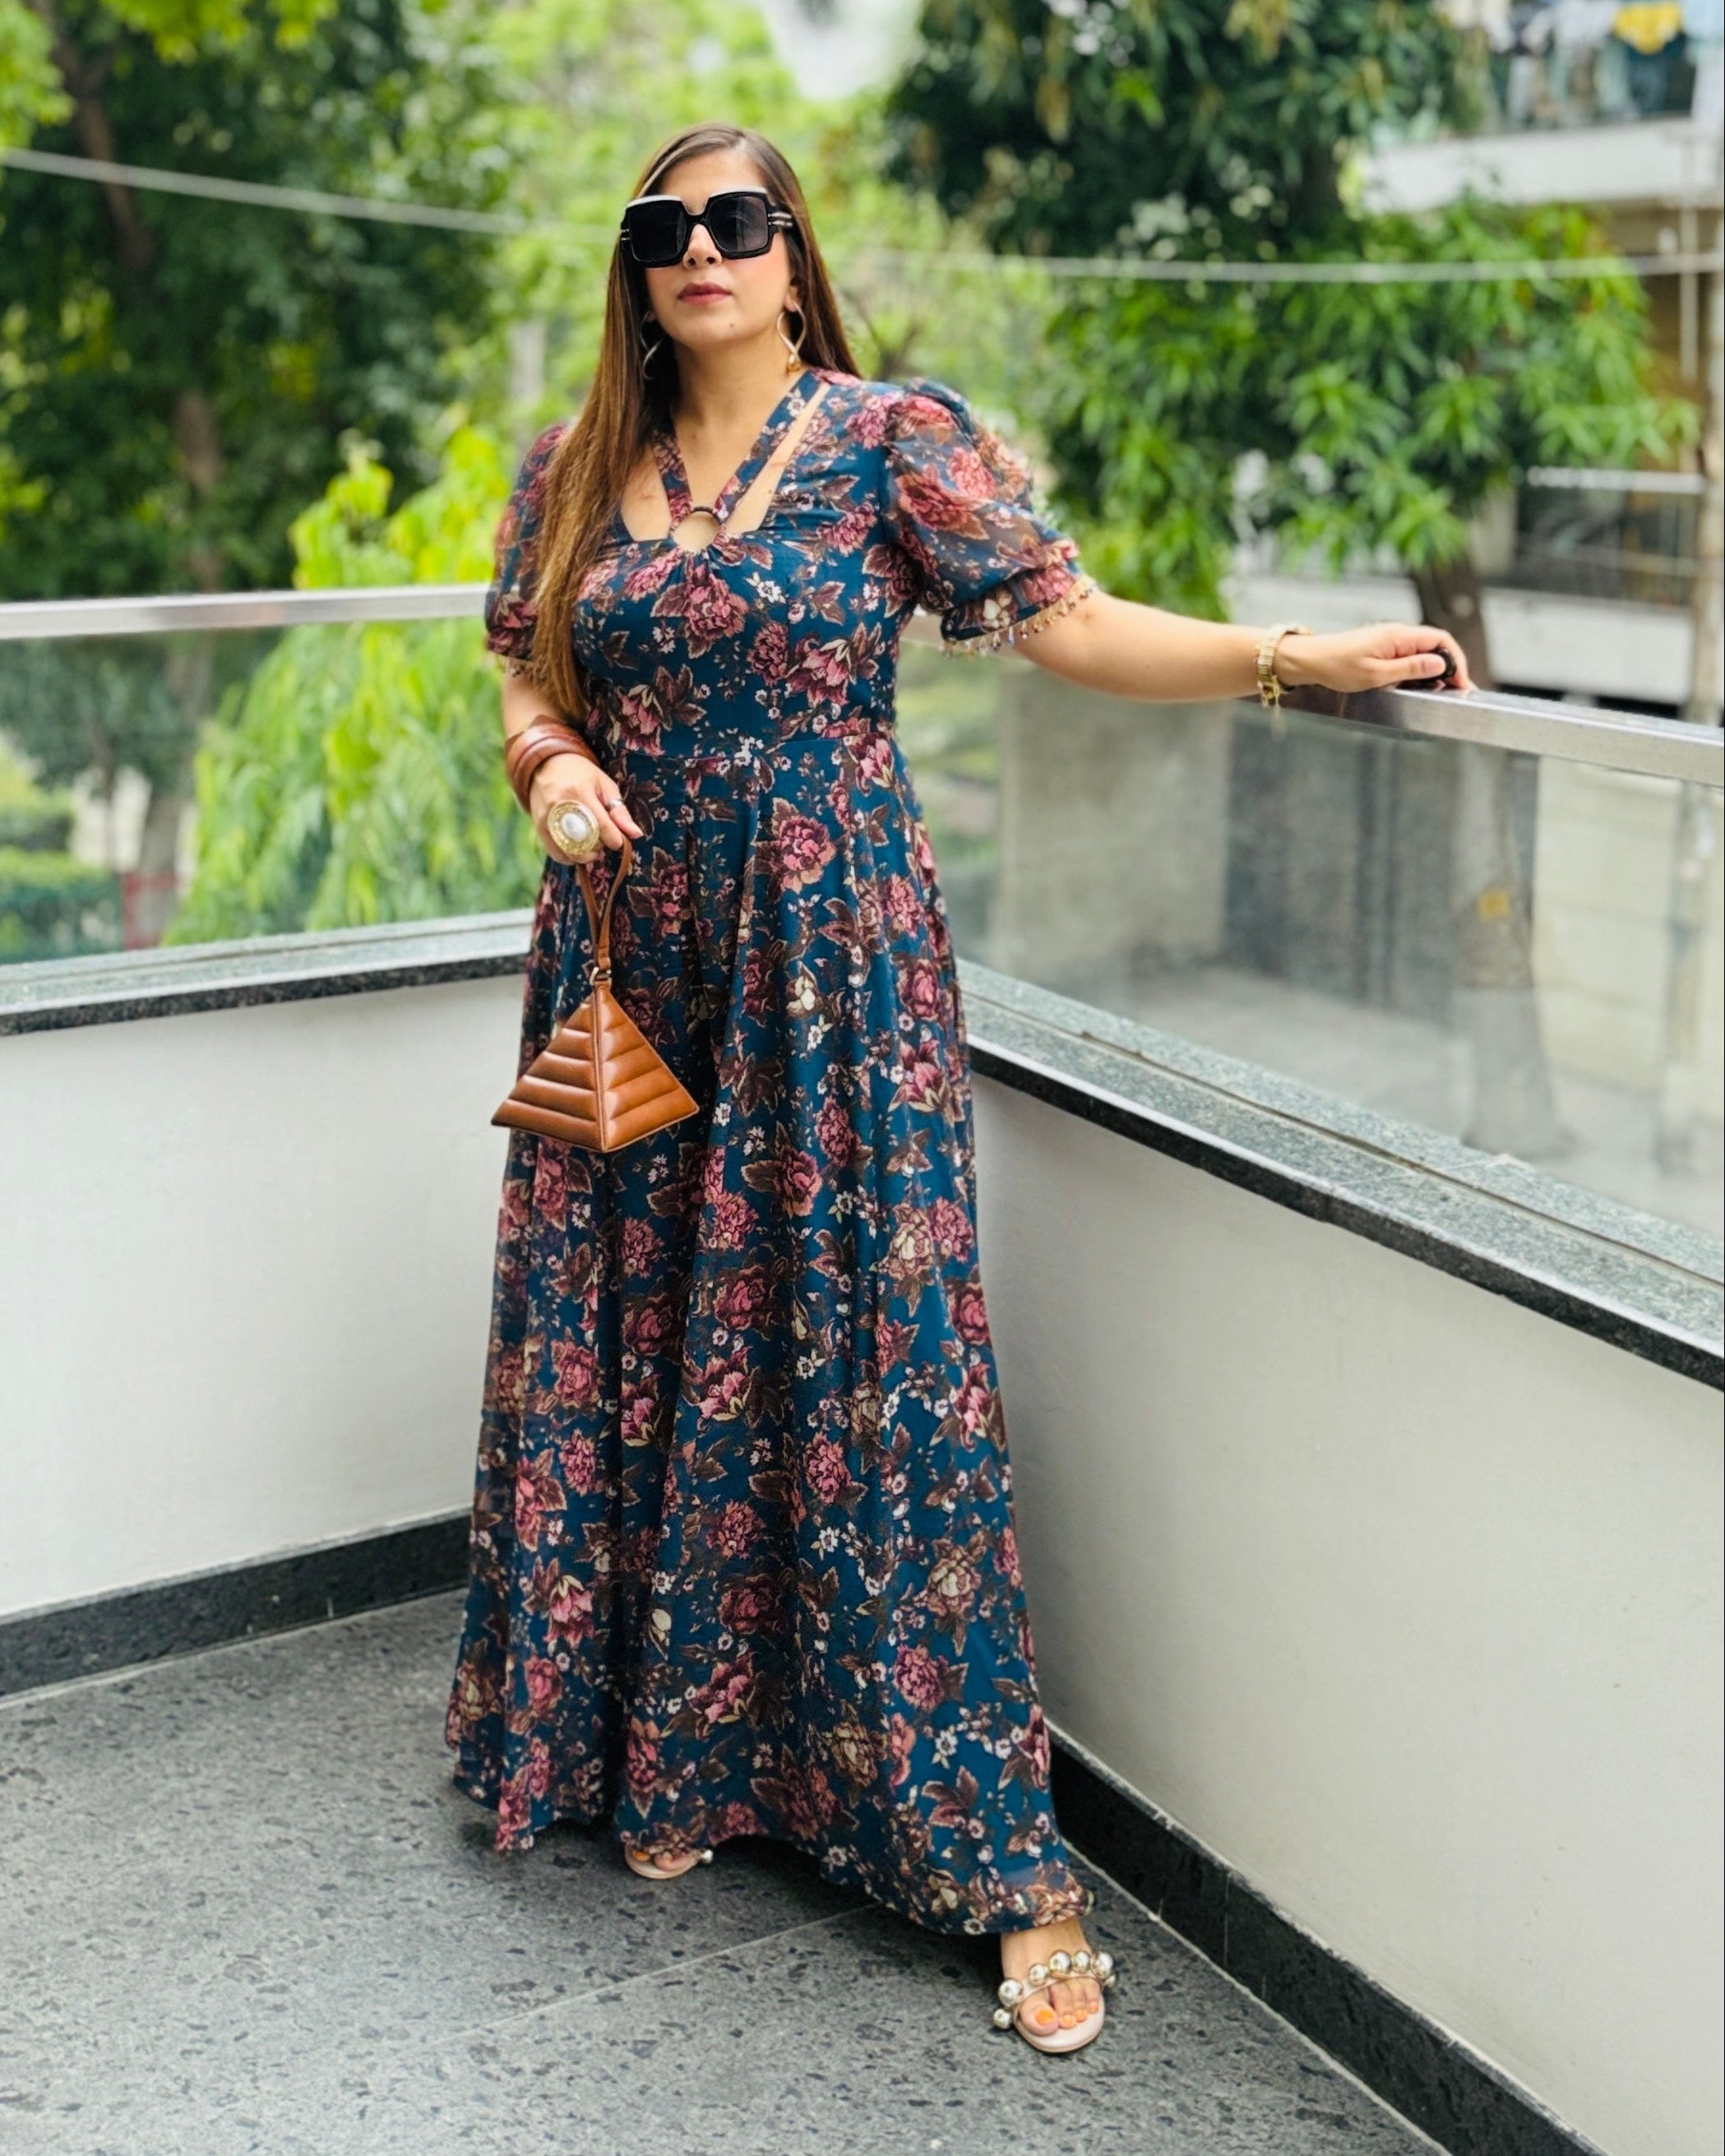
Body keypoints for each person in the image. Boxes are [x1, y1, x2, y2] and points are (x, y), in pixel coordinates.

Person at [444, 120, 1472, 2059]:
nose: (699, 251)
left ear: (789, 248)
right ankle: (681, 1755)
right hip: (624, 959)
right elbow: (519, 664)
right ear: (635, 265)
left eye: (734, 221)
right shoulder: (575, 465)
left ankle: (996, 1865)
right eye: (661, 227)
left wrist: (1281, 654)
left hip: (830, 970)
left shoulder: (892, 437)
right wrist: (544, 765)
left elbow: (1064, 624)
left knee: (865, 1362)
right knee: (646, 1341)